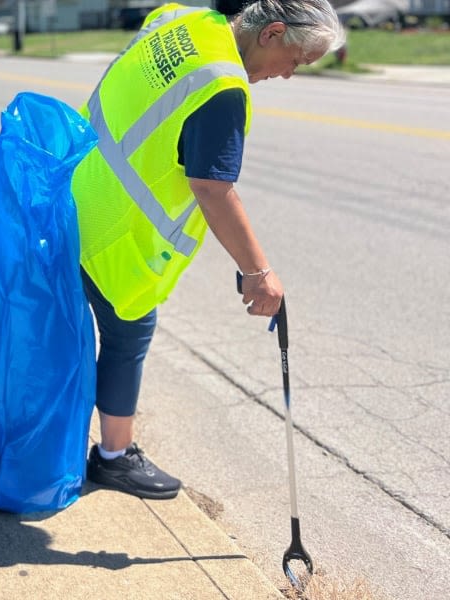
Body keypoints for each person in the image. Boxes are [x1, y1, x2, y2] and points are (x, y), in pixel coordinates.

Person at [71, 0, 344, 499]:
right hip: (113, 228)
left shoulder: (182, 20)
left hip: (79, 188)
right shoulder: (223, 88)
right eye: (296, 61)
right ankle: (112, 456)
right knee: (130, 328)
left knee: (72, 329)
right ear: (273, 33)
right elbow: (213, 189)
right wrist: (259, 272)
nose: (288, 76)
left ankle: (72, 438)